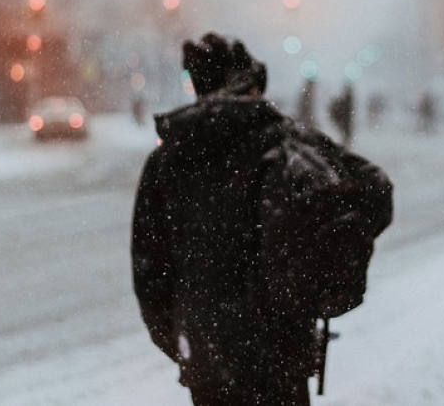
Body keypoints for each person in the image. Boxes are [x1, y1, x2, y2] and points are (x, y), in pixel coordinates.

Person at [132, 33, 392, 406]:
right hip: (281, 349)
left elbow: (150, 272)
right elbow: (374, 189)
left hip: (207, 356)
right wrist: (327, 270)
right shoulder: (287, 141)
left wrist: (185, 341)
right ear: (250, 87)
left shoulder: (168, 159)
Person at [328, 83, 355, 149]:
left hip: (344, 121)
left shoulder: (344, 101)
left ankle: (344, 146)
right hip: (344, 121)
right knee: (346, 135)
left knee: (345, 135)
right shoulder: (345, 102)